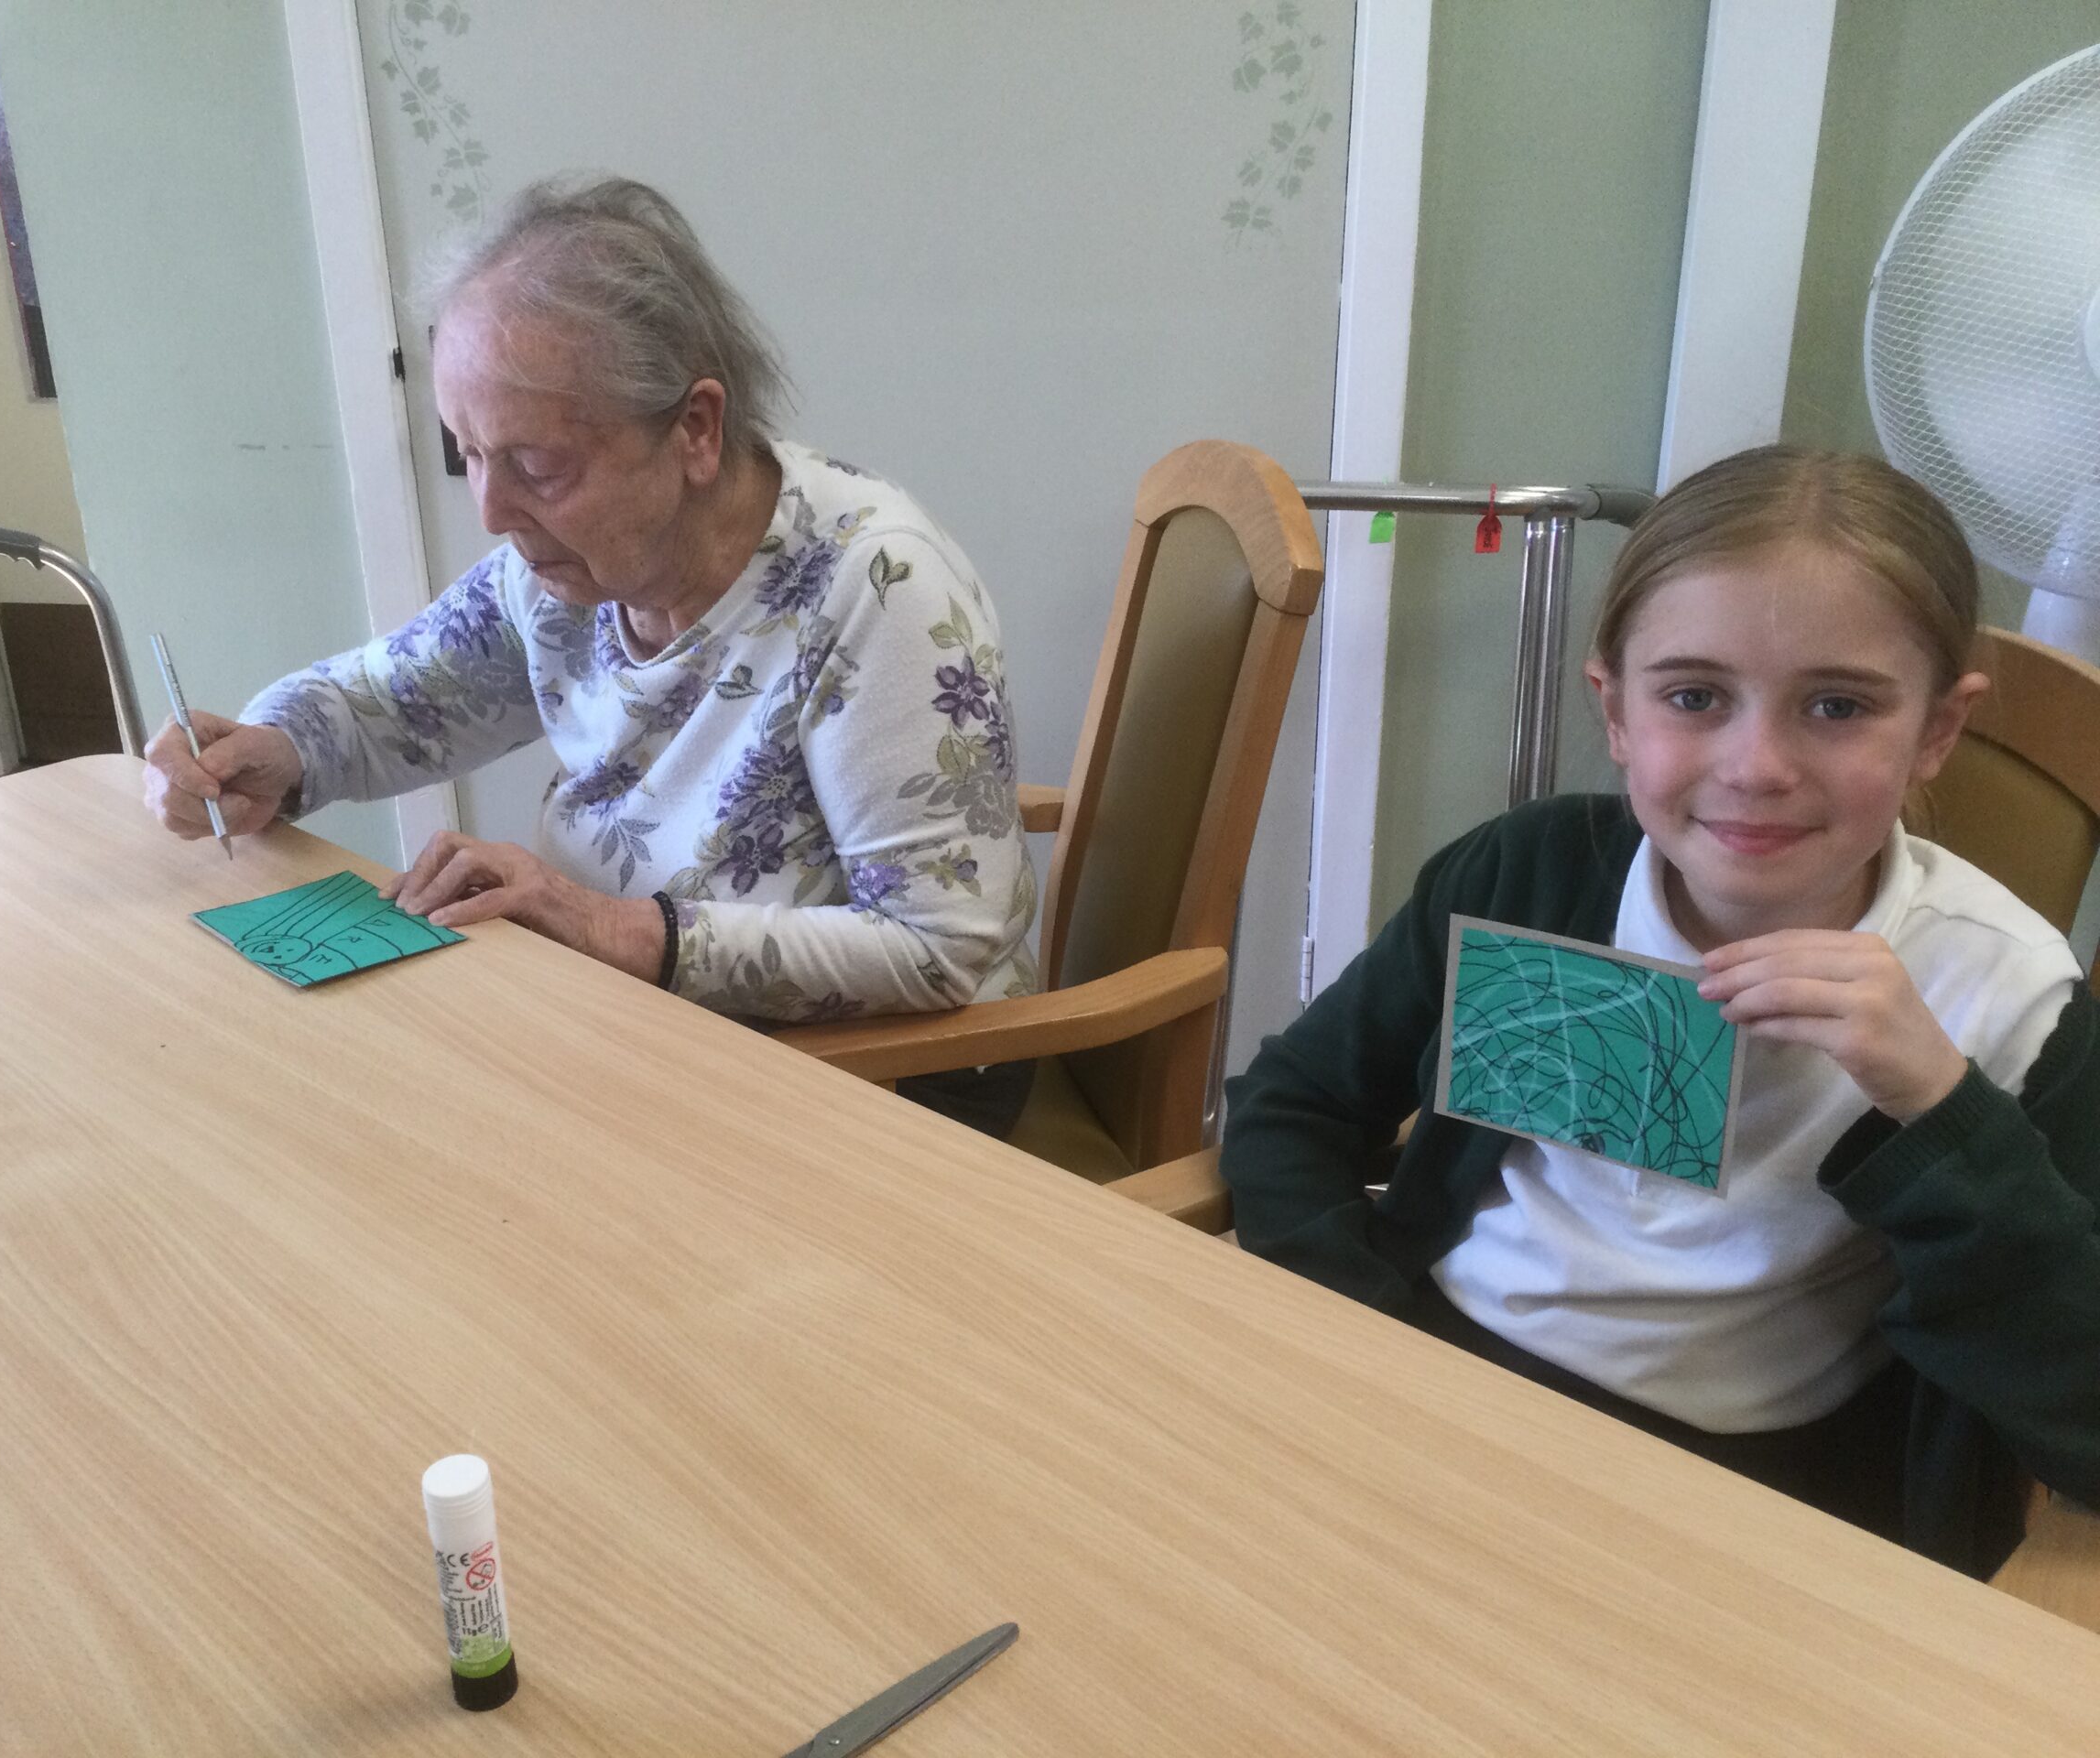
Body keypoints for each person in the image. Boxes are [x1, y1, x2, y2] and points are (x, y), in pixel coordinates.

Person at [1223, 446, 2100, 1575]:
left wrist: (1938, 1111)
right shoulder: (1525, 877)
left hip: (1751, 1504)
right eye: (1694, 697)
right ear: (1617, 709)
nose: (1756, 765)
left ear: (1936, 730)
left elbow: (2082, 1413)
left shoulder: (2008, 994)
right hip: (1433, 1382)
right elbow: (1293, 1107)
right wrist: (1363, 1332)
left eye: (1837, 707)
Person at [142, 175, 1038, 1133]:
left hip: (884, 1072)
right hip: (646, 1020)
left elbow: (937, 950)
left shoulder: (876, 587)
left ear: (695, 430)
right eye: (468, 454)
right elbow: (393, 702)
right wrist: (277, 749)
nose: (491, 511)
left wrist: (602, 926)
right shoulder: (558, 573)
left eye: (537, 467)